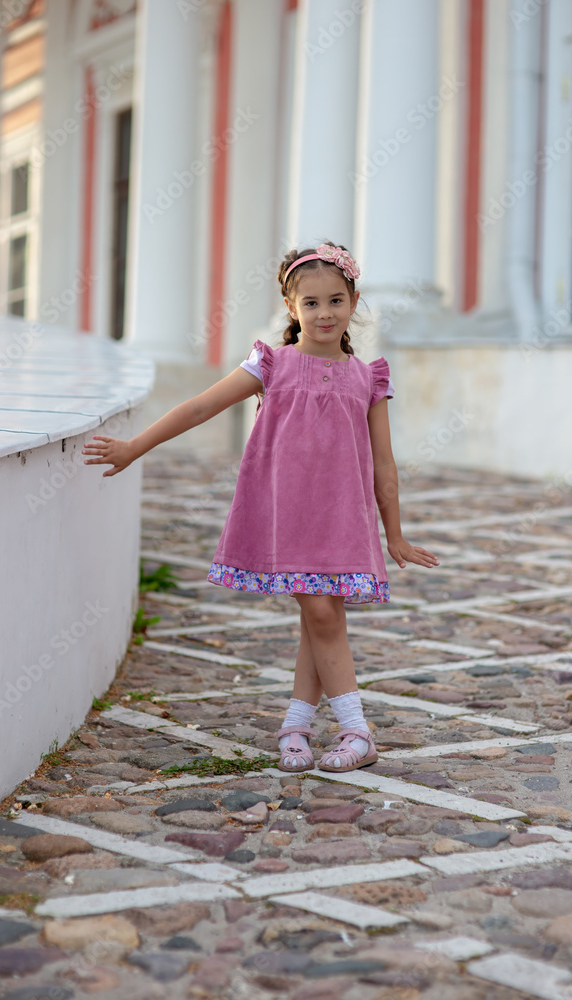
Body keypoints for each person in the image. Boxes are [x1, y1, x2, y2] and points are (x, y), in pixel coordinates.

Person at [82, 240, 440, 774]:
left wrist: (395, 533)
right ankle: (344, 730)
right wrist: (136, 446)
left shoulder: (369, 377)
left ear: (354, 302)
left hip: (343, 518)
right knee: (320, 614)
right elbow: (201, 406)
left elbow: (384, 464)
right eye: (311, 302)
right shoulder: (272, 364)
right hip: (284, 514)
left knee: (321, 615)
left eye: (336, 300)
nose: (325, 313)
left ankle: (315, 728)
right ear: (291, 307)